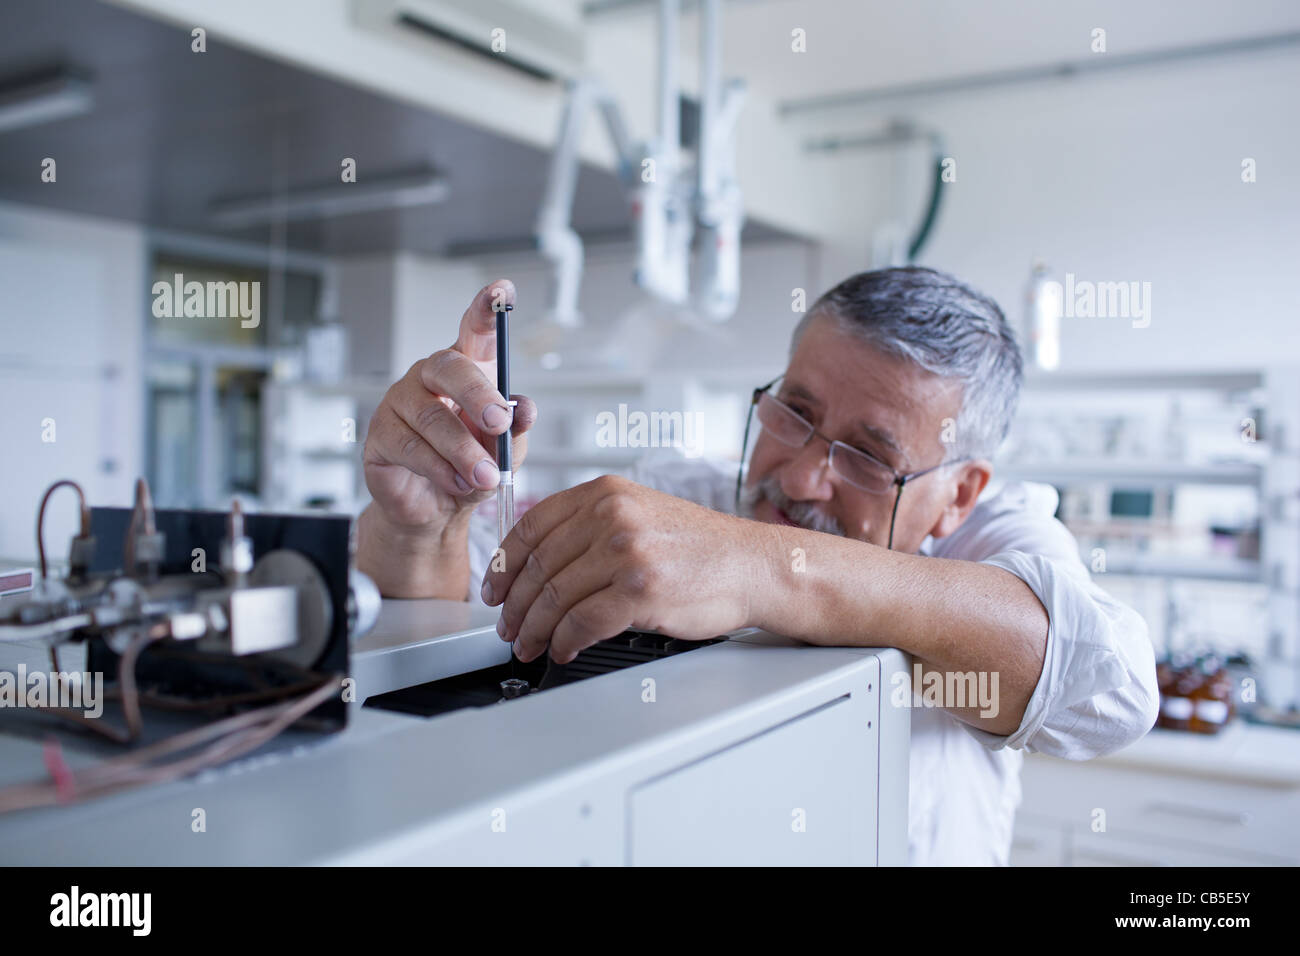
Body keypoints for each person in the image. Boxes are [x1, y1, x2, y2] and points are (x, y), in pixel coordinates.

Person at [356, 266, 1159, 865]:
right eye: (793, 415)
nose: (803, 476)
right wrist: (425, 523)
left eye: (868, 458)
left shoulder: (992, 538)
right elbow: (468, 612)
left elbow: (1111, 691)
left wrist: (762, 564)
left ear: (960, 494)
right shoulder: (682, 496)